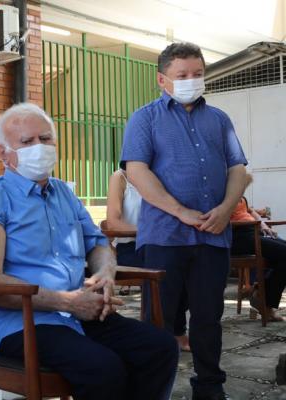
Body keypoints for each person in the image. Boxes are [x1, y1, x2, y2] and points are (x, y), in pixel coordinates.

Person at [0, 103, 179, 400]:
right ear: (3, 153)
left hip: (79, 313)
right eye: (26, 142)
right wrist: (68, 302)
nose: (39, 147)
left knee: (160, 347)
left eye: (45, 138)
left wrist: (105, 273)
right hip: (24, 323)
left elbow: (98, 244)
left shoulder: (64, 193)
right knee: (103, 368)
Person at [121, 42, 248, 400]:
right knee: (158, 321)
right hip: (165, 235)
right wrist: (180, 211)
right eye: (182, 76)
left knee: (209, 319)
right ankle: (151, 389)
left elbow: (237, 168)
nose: (191, 80)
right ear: (163, 80)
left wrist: (225, 209)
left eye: (198, 74)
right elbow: (137, 170)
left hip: (213, 235)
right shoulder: (145, 118)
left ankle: (209, 388)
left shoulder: (219, 119)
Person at [107, 169, 190, 352]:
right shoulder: (121, 178)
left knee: (185, 259)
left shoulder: (164, 176)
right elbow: (112, 222)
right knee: (164, 261)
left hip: (163, 243)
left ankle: (173, 331)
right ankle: (160, 333)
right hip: (132, 247)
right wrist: (149, 233)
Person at [231, 173, 286, 322]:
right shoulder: (223, 197)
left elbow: (251, 210)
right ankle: (264, 301)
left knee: (283, 255)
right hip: (239, 237)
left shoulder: (241, 198)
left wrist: (262, 224)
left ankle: (261, 294)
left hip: (254, 232)